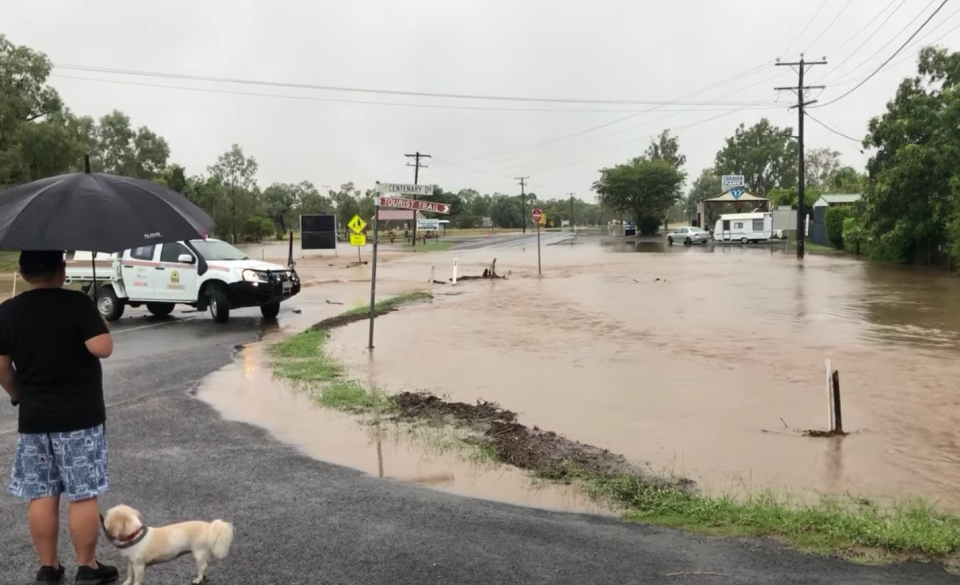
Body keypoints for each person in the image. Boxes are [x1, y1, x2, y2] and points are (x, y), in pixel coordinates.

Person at [0, 251, 119, 585]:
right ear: (61, 270)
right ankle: (87, 567)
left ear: (23, 273)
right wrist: (96, 318)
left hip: (35, 417)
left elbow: (2, 367)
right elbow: (103, 347)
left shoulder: (7, 311)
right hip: (79, 415)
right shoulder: (77, 305)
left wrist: (18, 395)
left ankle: (48, 569)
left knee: (42, 493)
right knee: (82, 493)